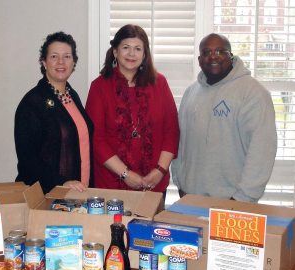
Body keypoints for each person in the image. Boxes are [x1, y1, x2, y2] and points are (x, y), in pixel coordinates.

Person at [171, 33, 277, 202]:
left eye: (220, 51)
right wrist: (179, 182)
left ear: (231, 56)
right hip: (189, 197)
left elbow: (262, 150)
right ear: (199, 60)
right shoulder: (191, 92)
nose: (213, 56)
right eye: (206, 52)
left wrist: (243, 198)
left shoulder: (253, 93)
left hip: (233, 201)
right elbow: (181, 142)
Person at [85, 24, 179, 196]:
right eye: (126, 47)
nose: (131, 54)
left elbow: (171, 131)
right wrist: (125, 174)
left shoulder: (160, 84)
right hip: (111, 183)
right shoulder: (99, 87)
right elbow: (96, 138)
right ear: (115, 51)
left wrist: (160, 170)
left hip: (154, 183)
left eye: (137, 49)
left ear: (144, 54)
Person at [14, 31, 94, 194]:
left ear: (74, 62)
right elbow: (27, 161)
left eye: (67, 56)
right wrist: (61, 182)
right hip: (49, 196)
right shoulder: (32, 103)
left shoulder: (72, 96)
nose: (61, 62)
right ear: (43, 62)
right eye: (54, 56)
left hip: (79, 194)